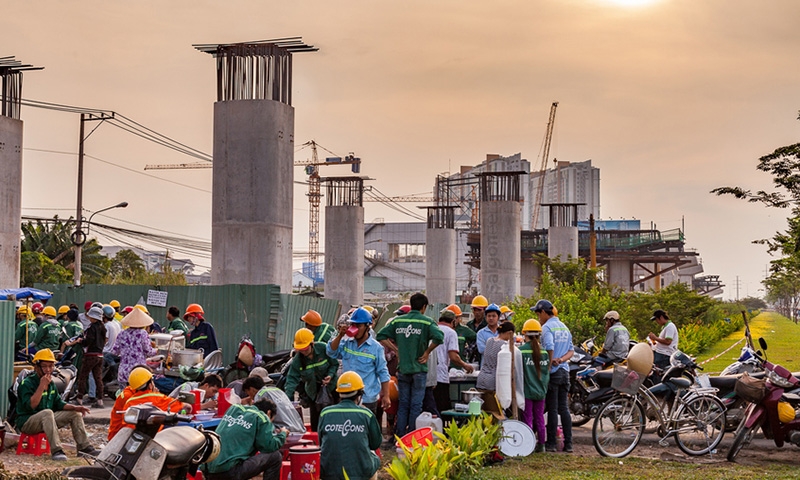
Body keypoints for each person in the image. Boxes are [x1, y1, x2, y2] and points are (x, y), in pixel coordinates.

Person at [376, 292, 443, 437]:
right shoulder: (427, 322)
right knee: (416, 406)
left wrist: (396, 350)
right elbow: (439, 337)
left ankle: (399, 437)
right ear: (424, 307)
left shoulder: (397, 321)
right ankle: (411, 438)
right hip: (419, 369)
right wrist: (427, 352)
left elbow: (380, 335)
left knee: (403, 405)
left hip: (403, 370)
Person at [15, 349, 101, 461]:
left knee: (75, 414)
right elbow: (31, 406)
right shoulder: (27, 383)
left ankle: (84, 448)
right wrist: (41, 386)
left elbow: (58, 403)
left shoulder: (51, 384)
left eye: (51, 366)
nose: (48, 370)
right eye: (44, 366)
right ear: (37, 367)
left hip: (47, 420)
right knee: (47, 412)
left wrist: (76, 408)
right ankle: (57, 451)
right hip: (27, 422)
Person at [328, 307, 391, 418]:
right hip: (347, 398)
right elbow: (331, 352)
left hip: (367, 399)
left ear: (368, 327)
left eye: (359, 326)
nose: (355, 329)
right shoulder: (346, 343)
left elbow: (383, 373)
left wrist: (386, 396)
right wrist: (340, 335)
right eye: (353, 325)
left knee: (368, 432)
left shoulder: (376, 348)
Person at [203, 397, 288, 480]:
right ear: (269, 413)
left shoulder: (234, 409)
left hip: (208, 470)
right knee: (275, 457)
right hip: (229, 472)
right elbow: (269, 446)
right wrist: (282, 434)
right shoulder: (261, 417)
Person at [318, 372, 382, 480]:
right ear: (360, 394)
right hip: (361, 473)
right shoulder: (366, 414)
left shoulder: (325, 413)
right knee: (375, 457)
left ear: (339, 393)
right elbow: (375, 444)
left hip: (328, 472)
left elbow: (321, 442)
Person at [533, 299, 574, 453]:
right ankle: (568, 444)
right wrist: (561, 360)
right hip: (565, 371)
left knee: (552, 408)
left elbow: (549, 346)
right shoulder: (564, 327)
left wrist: (549, 365)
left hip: (554, 374)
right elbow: (571, 351)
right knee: (564, 408)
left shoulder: (546, 328)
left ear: (544, 312)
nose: (538, 318)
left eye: (538, 314)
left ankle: (550, 443)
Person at [108, 366, 191, 440]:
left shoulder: (130, 399)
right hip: (122, 437)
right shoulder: (155, 397)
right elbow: (182, 406)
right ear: (150, 384)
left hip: (125, 437)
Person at [284, 328, 338, 432]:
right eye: (301, 349)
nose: (303, 351)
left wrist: (330, 375)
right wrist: (287, 400)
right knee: (316, 424)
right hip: (313, 393)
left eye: (305, 348)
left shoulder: (323, 348)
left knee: (333, 419)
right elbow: (291, 379)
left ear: (311, 344)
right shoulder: (298, 360)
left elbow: (334, 364)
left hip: (331, 389)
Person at [475, 321, 523, 417]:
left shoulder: (489, 340)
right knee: (494, 413)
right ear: (509, 333)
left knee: (483, 412)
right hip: (493, 382)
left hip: (481, 379)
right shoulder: (504, 346)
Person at [433, 307, 474, 414]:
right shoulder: (451, 332)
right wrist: (465, 365)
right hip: (441, 376)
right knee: (443, 409)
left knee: (430, 408)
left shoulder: (432, 328)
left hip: (428, 376)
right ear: (453, 321)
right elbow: (453, 357)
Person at [520, 319, 549, 452]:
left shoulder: (521, 351)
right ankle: (542, 445)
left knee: (528, 419)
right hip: (541, 391)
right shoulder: (544, 353)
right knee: (540, 419)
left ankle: (528, 445)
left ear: (524, 334)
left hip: (527, 391)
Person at [112, 308, 158, 389]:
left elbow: (114, 352)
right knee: (137, 399)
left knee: (125, 397)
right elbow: (149, 352)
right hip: (138, 373)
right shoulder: (143, 333)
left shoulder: (122, 333)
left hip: (123, 372)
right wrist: (157, 350)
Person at [72, 306, 106, 408]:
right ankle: (100, 400)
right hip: (100, 355)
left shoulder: (92, 328)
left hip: (90, 355)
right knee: (98, 378)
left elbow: (89, 340)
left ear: (94, 317)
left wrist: (81, 341)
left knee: (82, 376)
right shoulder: (103, 328)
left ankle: (79, 398)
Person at [102, 305, 122, 378]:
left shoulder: (106, 325)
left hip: (107, 351)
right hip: (116, 351)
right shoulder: (117, 323)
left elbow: (105, 340)